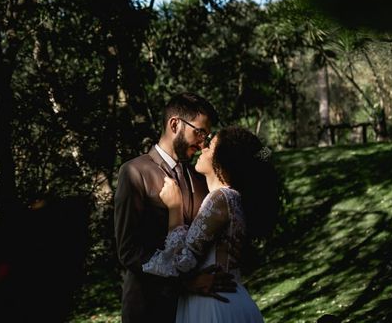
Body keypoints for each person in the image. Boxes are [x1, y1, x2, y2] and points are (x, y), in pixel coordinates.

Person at [114, 92, 235, 323]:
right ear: (175, 124)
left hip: (195, 308)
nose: (202, 143)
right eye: (199, 132)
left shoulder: (198, 175)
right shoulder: (134, 172)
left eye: (206, 136)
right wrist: (185, 283)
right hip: (149, 308)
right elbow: (129, 251)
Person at [142, 126, 280, 322]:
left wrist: (174, 208)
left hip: (213, 306)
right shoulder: (233, 199)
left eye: (211, 147)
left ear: (223, 161)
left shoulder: (221, 198)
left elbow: (181, 262)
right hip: (228, 299)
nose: (203, 149)